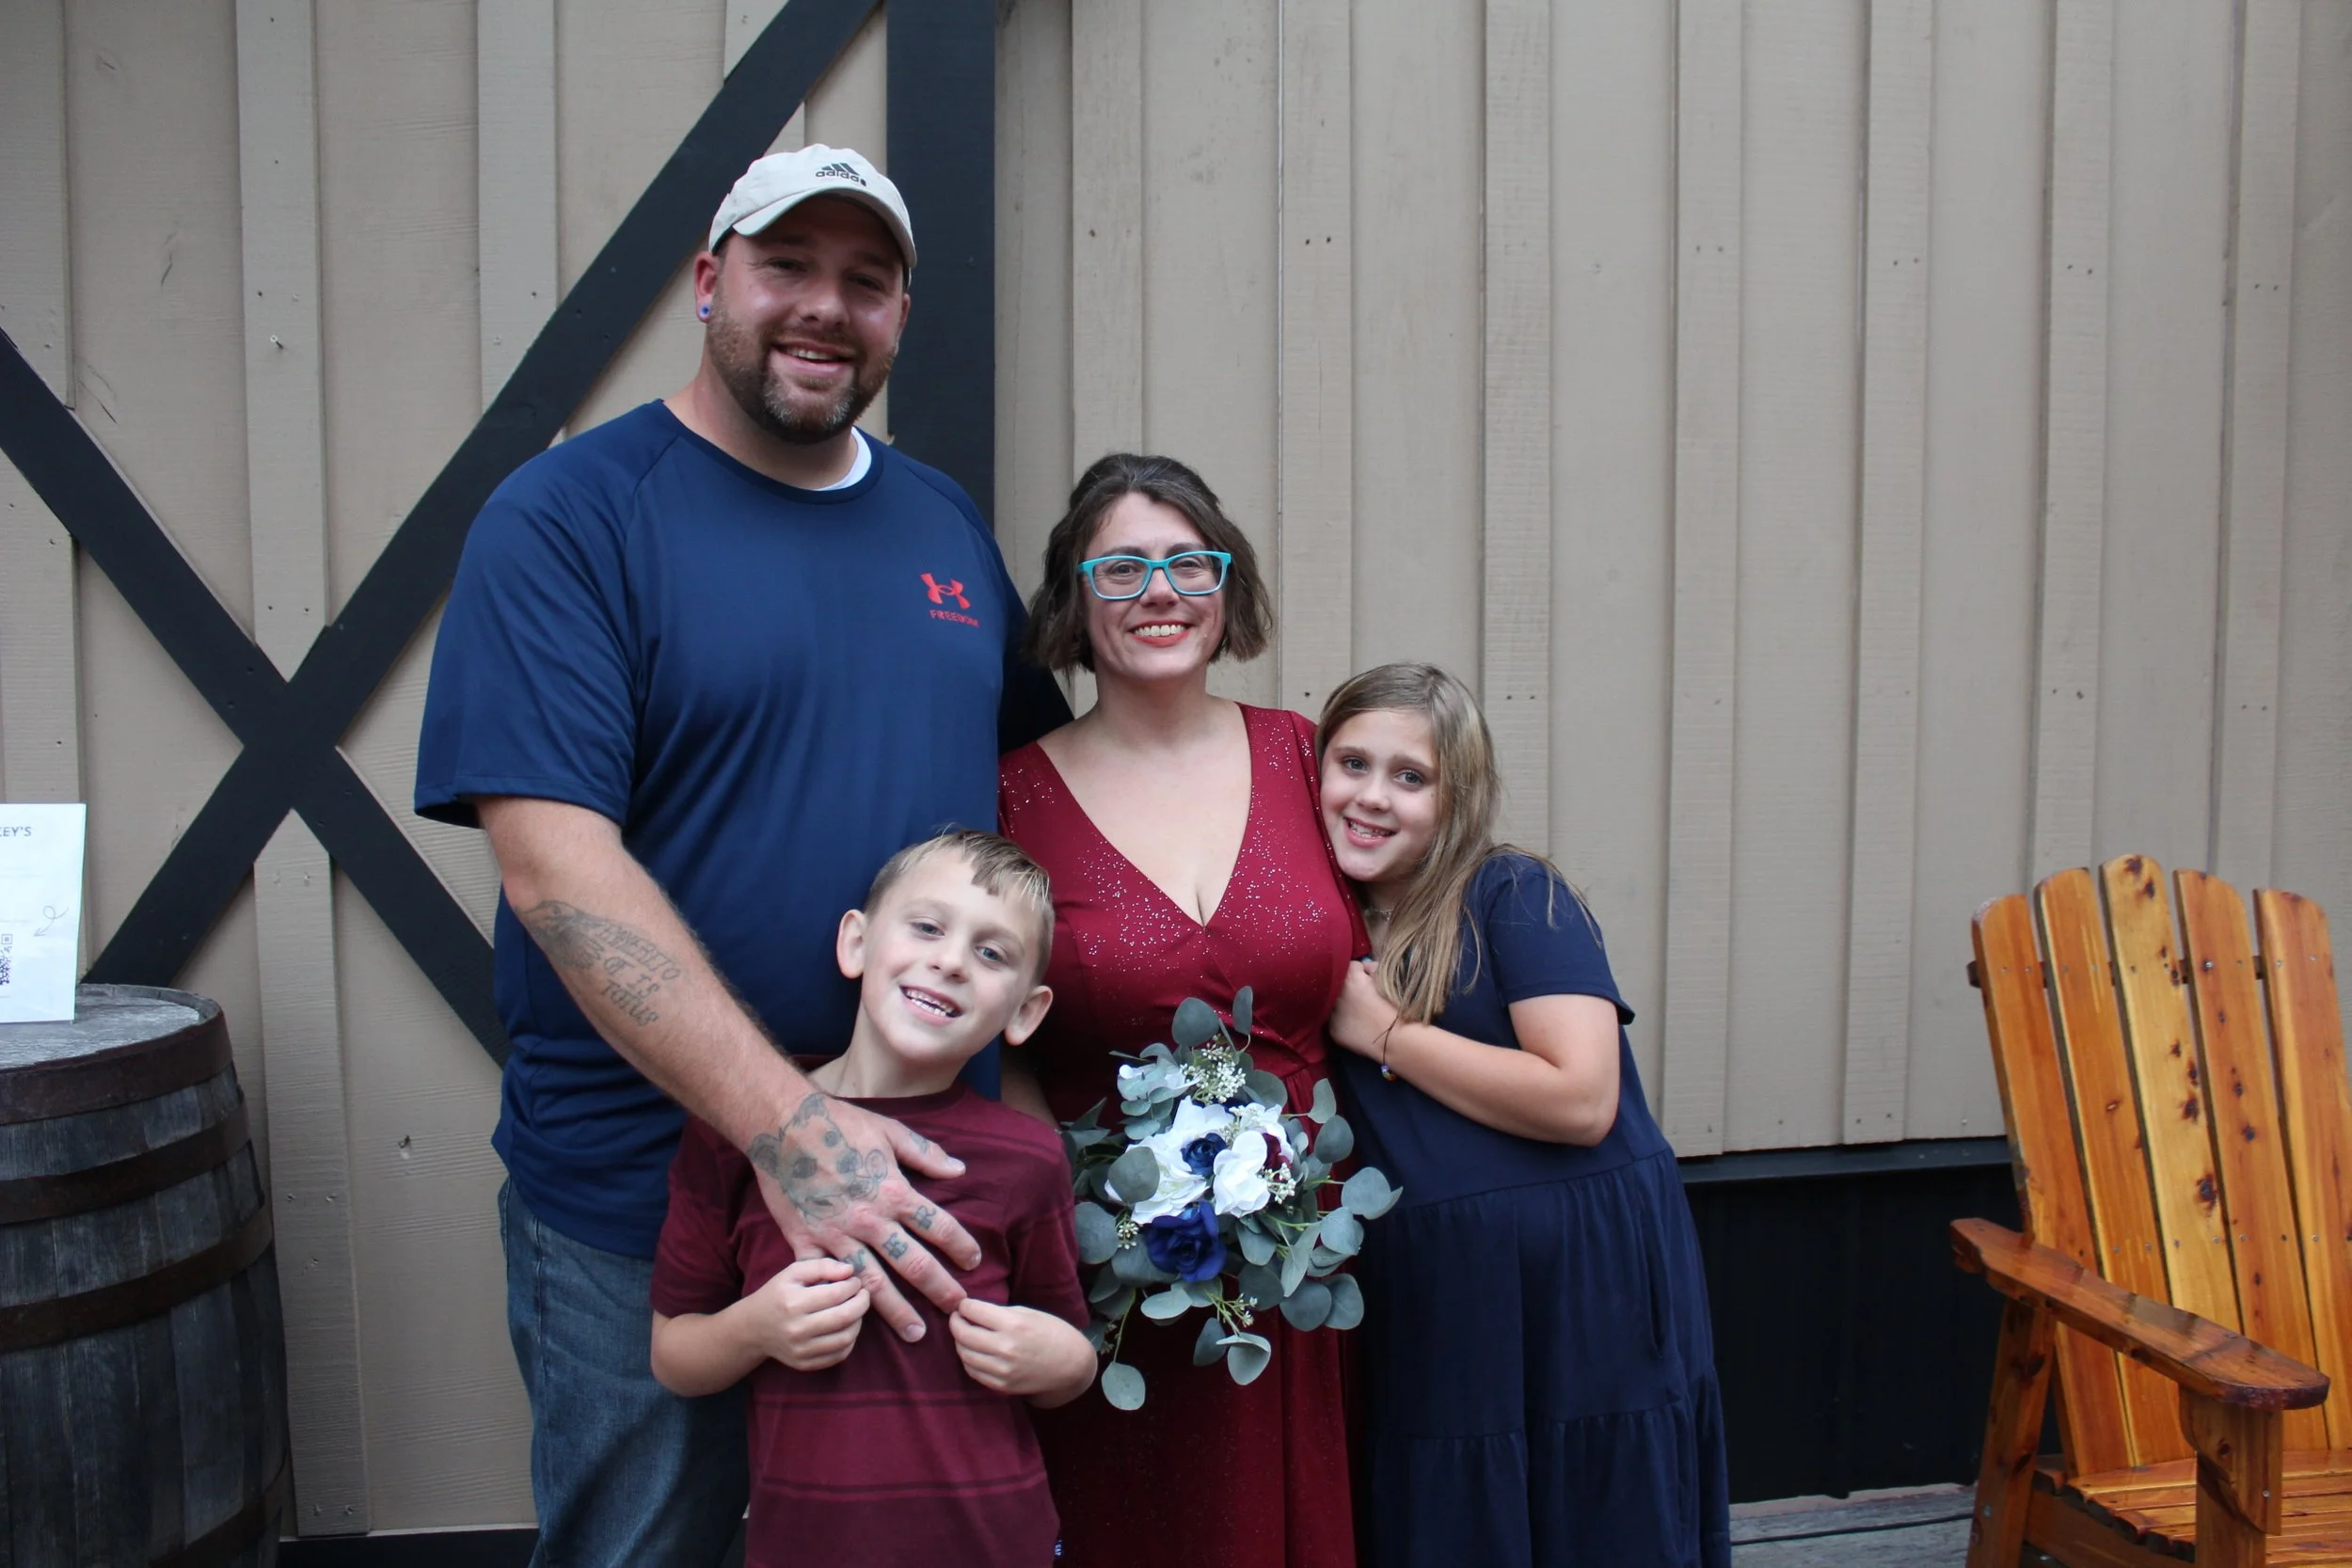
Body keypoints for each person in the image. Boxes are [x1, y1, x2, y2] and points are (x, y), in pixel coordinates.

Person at [413, 145, 1062, 1566]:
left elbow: (1028, 802)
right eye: (788, 267)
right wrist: (790, 1128)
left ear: (901, 315)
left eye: (867, 281)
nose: (827, 307)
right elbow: (553, 868)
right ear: (711, 280)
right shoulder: (571, 519)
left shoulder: (942, 521)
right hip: (648, 1201)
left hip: (922, 1194)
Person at [996, 452, 1360, 1568]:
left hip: (1306, 1245)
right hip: (1111, 1261)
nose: (1159, 590)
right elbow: (991, 1030)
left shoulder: (1304, 757)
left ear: (1226, 585)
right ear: (1072, 599)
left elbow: (1405, 939)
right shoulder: (1010, 793)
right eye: (1120, 568)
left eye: (1188, 561)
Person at [1312, 662, 1731, 1568]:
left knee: (1596, 1522)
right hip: (1442, 1298)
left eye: (1409, 776)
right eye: (1351, 764)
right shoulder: (1322, 923)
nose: (1372, 797)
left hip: (1584, 1289)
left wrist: (1384, 1031)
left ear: (1454, 796)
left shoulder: (1511, 894)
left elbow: (1582, 1098)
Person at [649, 831, 1093, 1567]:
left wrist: (1059, 1361)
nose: (950, 960)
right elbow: (674, 1355)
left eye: (992, 953)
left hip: (994, 1543)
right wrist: (758, 1328)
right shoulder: (737, 1136)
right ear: (856, 942)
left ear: (1025, 1010)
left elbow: (1069, 1351)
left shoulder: (1027, 1156)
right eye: (926, 926)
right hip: (807, 1546)